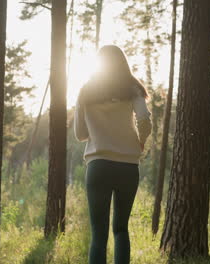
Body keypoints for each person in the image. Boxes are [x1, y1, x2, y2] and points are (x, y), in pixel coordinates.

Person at [74, 45, 152, 264]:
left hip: (98, 166)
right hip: (128, 167)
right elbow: (145, 121)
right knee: (121, 229)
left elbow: (80, 134)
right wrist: (140, 143)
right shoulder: (133, 88)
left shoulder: (86, 91)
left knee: (98, 236)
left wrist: (99, 129)